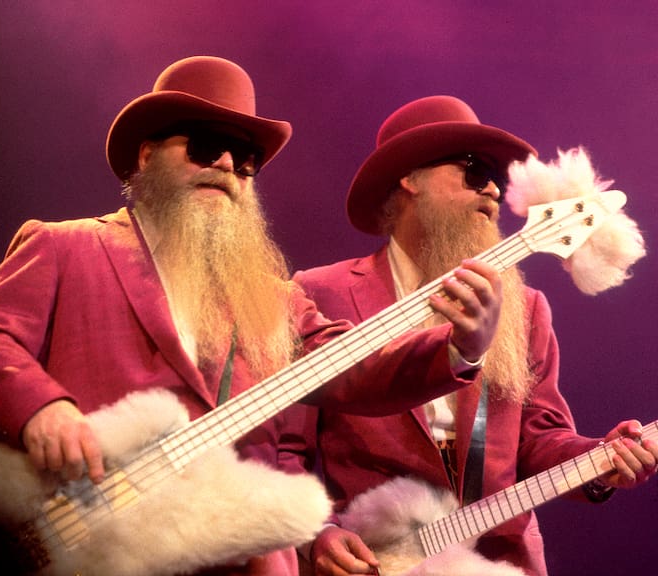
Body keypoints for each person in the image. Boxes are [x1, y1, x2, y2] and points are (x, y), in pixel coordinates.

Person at [0, 61, 500, 576]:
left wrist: (461, 348)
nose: (229, 165)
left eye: (245, 157)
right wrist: (43, 409)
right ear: (147, 155)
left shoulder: (274, 301)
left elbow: (358, 367)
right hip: (95, 542)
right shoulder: (66, 246)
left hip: (241, 558)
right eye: (207, 147)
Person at [280, 95, 658, 576]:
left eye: (499, 183)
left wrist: (599, 459)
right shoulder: (319, 292)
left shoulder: (525, 308)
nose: (495, 194)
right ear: (410, 178)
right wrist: (318, 533)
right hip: (374, 559)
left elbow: (539, 438)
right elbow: (284, 450)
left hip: (498, 560)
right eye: (476, 173)